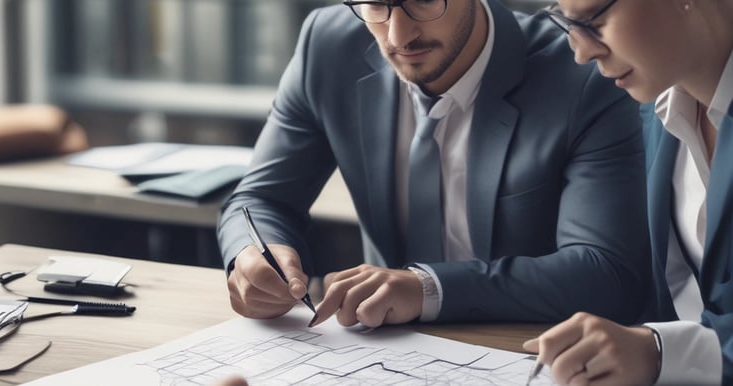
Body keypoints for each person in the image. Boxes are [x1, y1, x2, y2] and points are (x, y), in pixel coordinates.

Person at [217, 0, 649, 328]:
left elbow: (606, 272)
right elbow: (260, 199)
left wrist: (427, 289)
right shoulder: (327, 45)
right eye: (375, 4)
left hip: (530, 350)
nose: (398, 35)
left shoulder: (583, 73)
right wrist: (252, 255)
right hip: (378, 351)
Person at [523, 0, 733, 384]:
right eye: (565, 21)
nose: (582, 52)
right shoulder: (657, 109)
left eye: (595, 19)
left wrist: (658, 351)